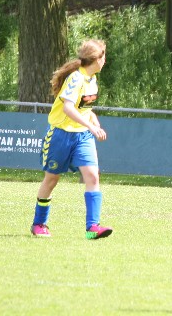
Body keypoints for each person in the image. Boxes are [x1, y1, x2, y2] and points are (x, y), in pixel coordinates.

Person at [30, 39, 113, 240]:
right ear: (97, 59)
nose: (105, 60)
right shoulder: (76, 78)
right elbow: (68, 108)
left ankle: (92, 228)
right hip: (61, 135)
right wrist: (91, 126)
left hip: (82, 136)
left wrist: (94, 121)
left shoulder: (92, 79)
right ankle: (39, 224)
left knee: (92, 176)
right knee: (51, 180)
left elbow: (84, 108)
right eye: (104, 56)